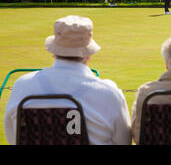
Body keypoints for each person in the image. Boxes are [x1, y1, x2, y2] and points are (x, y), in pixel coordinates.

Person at [4, 15, 131, 145]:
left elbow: (13, 137)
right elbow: (123, 141)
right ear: (88, 55)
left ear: (54, 52)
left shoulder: (23, 85)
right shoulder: (109, 93)